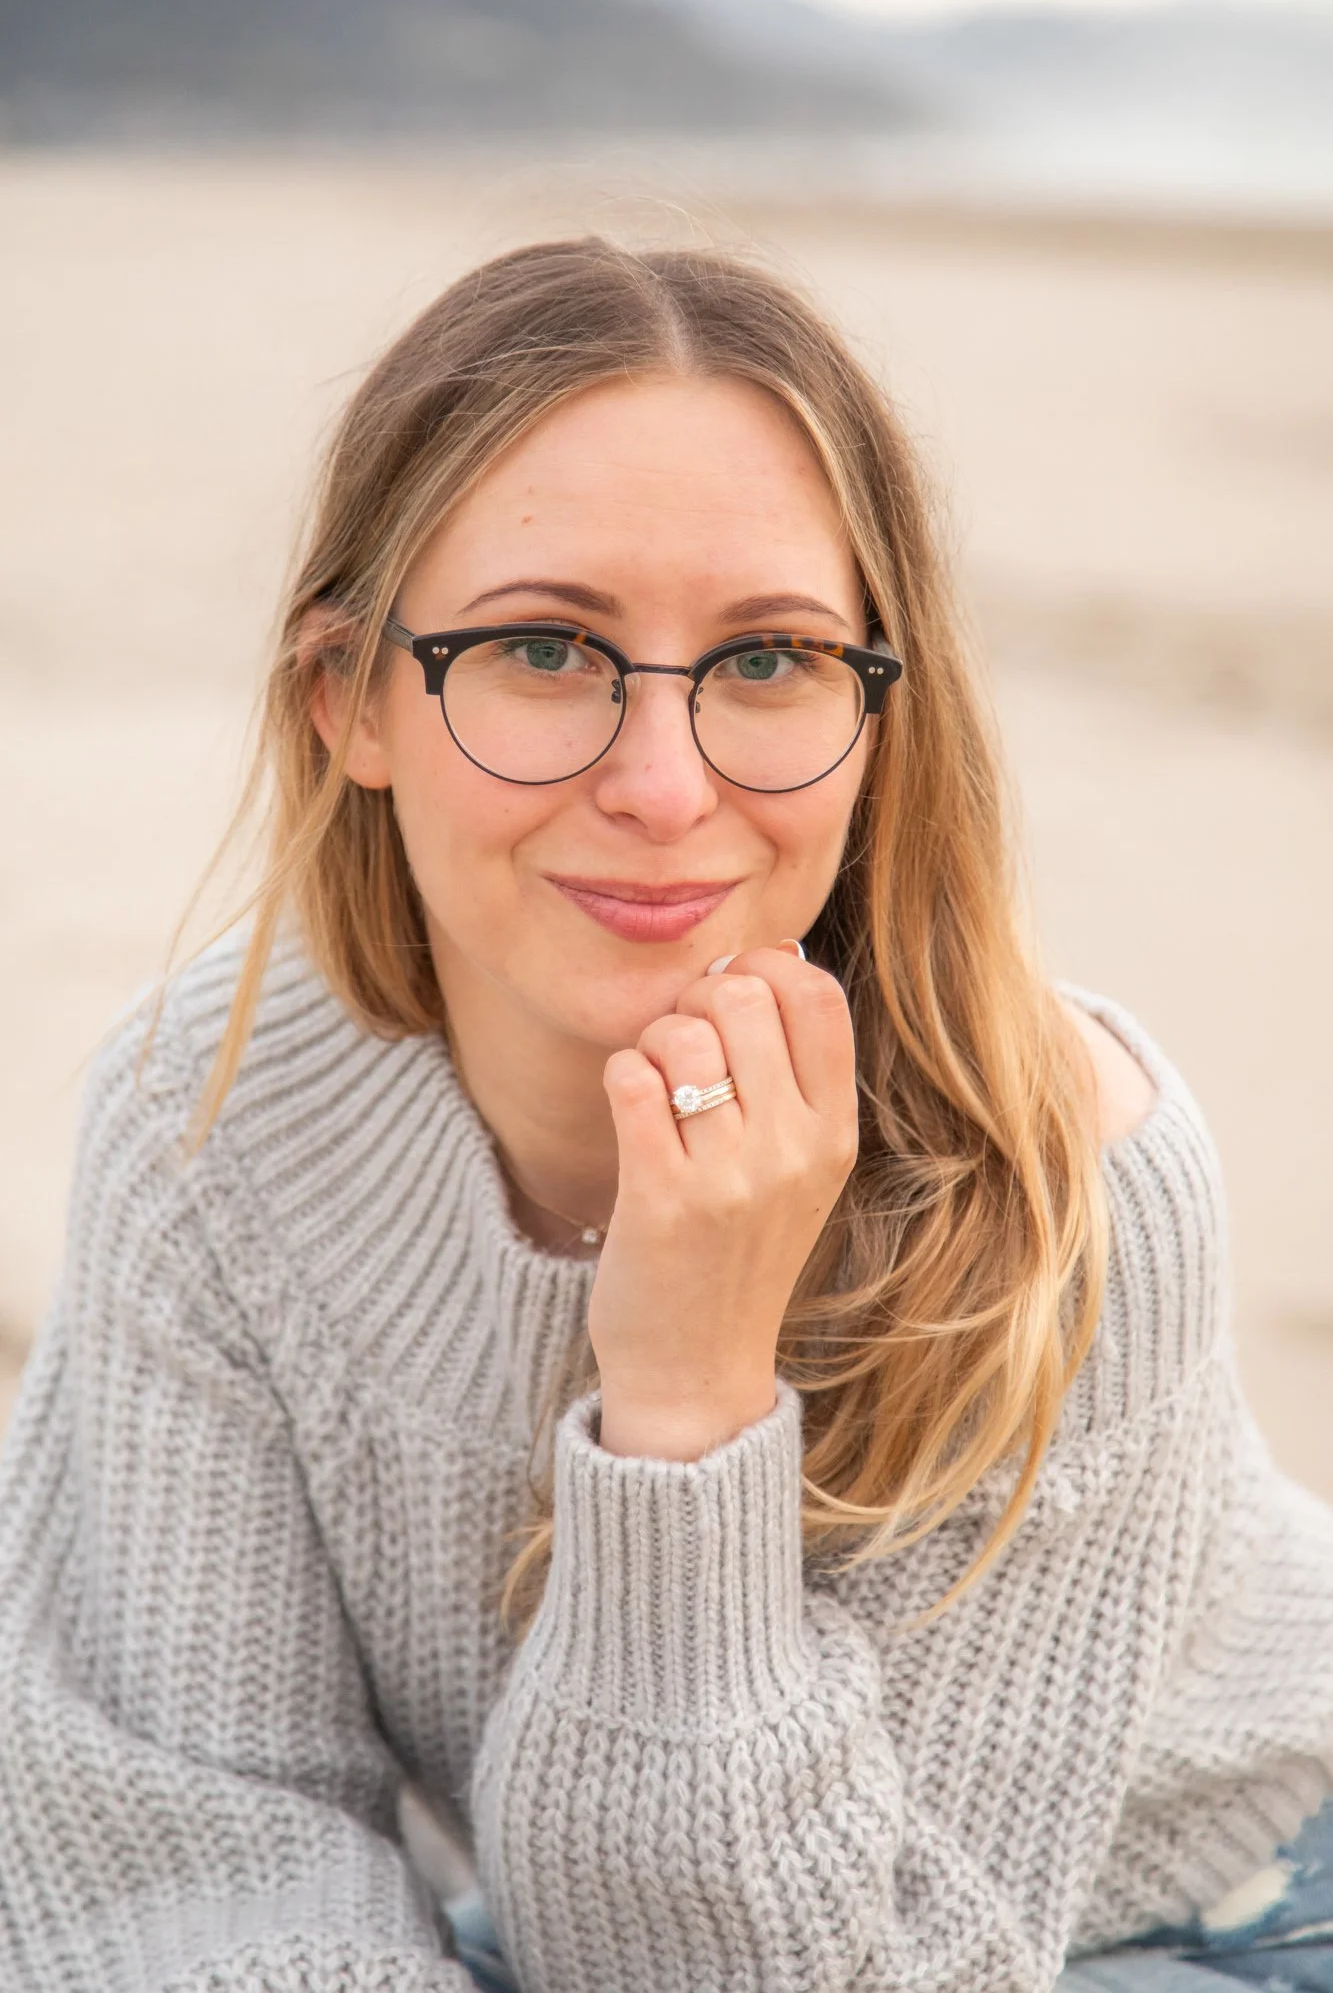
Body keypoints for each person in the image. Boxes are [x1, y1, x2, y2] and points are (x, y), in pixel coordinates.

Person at [0, 238, 1329, 1993]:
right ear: (350, 703)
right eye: (547, 647)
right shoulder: (212, 1120)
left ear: (879, 716)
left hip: (1185, 1921)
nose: (660, 784)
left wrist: (690, 1401)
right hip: (591, 1902)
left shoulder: (1064, 1192)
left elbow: (796, 1976)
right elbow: (174, 1844)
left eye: (769, 661)